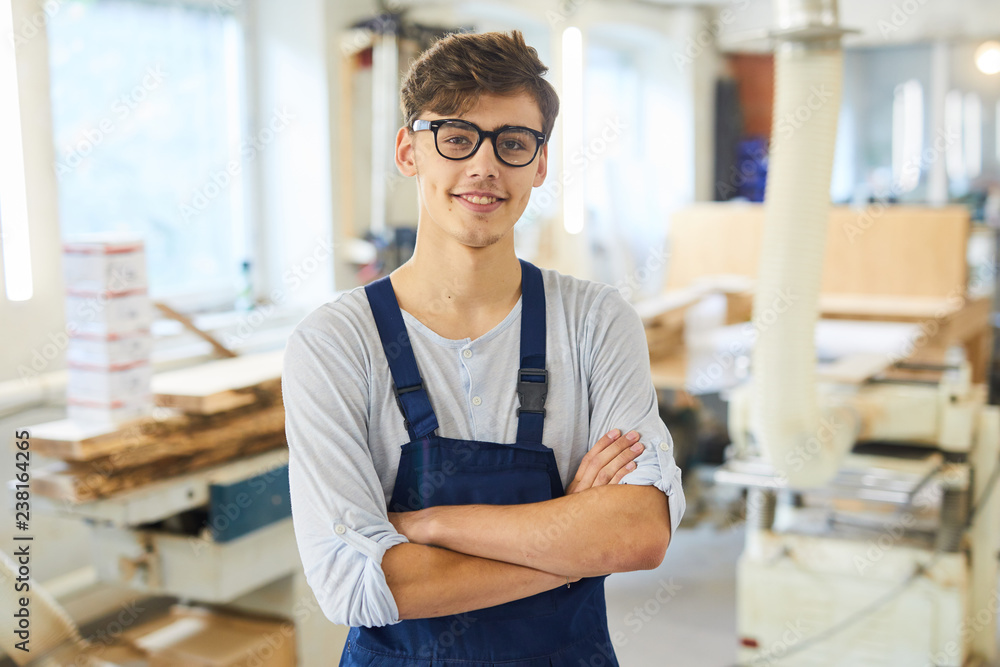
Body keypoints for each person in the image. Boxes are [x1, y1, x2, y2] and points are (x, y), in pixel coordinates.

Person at [282, 29, 685, 666]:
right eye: (456, 136)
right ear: (407, 151)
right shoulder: (334, 344)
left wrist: (432, 526)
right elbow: (354, 585)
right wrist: (573, 540)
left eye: (514, 142)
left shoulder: (596, 323)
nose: (485, 166)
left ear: (541, 163)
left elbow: (638, 532)